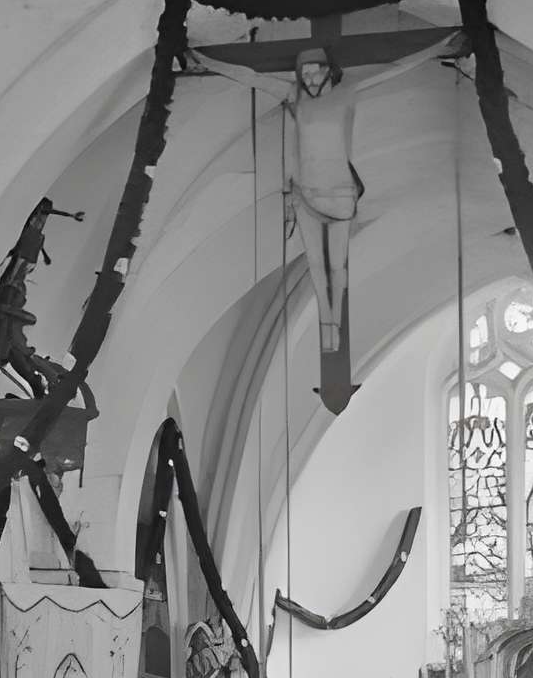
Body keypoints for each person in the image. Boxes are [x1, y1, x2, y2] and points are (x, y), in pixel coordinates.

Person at [189, 31, 461, 407]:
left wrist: (440, 43)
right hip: (306, 195)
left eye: (317, 73)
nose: (312, 80)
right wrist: (207, 59)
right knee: (316, 265)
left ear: (330, 73)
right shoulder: (294, 98)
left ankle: (332, 317)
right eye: (306, 74)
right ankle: (327, 323)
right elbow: (251, 75)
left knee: (338, 266)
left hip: (340, 195)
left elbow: (392, 66)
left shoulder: (346, 95)